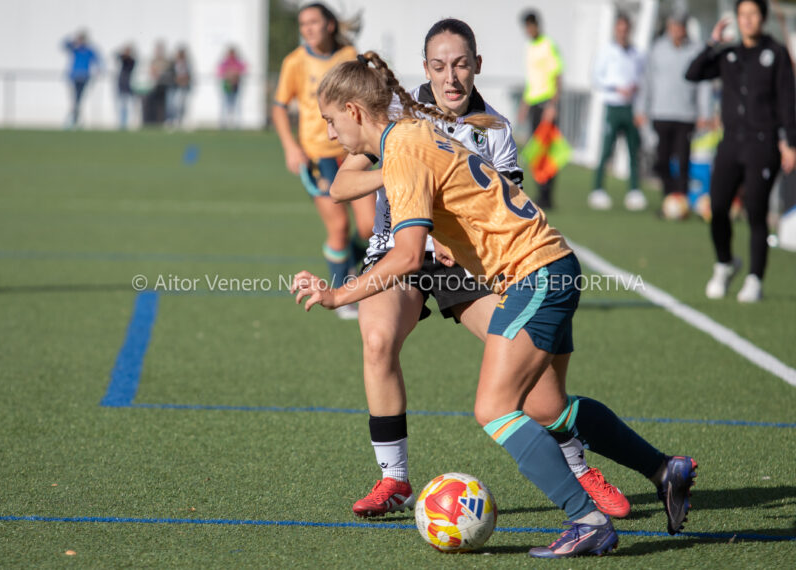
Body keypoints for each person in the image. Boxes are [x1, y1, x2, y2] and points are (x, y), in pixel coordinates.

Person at [292, 51, 698, 558]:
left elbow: (406, 256)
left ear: (354, 111)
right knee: (547, 406)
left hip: (535, 275)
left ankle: (586, 520)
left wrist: (338, 294)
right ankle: (664, 470)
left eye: (331, 121)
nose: (330, 133)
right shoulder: (412, 136)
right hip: (549, 266)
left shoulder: (404, 149)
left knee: (494, 409)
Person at [329, 19, 629, 521]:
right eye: (439, 66)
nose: (450, 77)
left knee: (532, 378)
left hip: (465, 262)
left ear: (477, 66)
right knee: (377, 340)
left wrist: (446, 219)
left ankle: (578, 467)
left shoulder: (495, 127)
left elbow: (504, 206)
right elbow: (341, 186)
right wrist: (405, 173)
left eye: (461, 65)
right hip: (399, 251)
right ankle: (394, 478)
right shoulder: (396, 114)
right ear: (425, 68)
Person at [686, 0, 796, 303]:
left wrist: (791, 143)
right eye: (742, 14)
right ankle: (725, 263)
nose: (747, 20)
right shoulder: (729, 54)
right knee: (718, 207)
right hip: (731, 142)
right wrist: (712, 43)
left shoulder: (776, 53)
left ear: (763, 17)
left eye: (753, 14)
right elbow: (693, 73)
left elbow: (787, 101)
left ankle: (755, 279)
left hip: (763, 143)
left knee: (756, 211)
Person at [272, 2, 375, 320]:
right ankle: (343, 296)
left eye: (313, 22)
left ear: (329, 25)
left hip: (353, 151)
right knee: (339, 226)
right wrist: (291, 147)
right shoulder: (295, 62)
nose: (307, 29)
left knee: (370, 226)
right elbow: (279, 106)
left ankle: (347, 265)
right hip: (318, 156)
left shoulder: (349, 56)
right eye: (303, 24)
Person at [635, 11, 713, 204]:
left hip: (686, 114)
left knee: (683, 160)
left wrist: (705, 112)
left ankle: (682, 199)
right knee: (662, 160)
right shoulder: (657, 49)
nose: (677, 30)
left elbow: (704, 84)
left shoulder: (696, 49)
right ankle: (669, 197)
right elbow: (647, 81)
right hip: (661, 112)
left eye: (680, 26)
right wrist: (640, 108)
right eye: (674, 26)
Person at [589, 13, 646, 211]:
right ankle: (597, 189)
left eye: (626, 30)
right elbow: (596, 78)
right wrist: (616, 87)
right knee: (607, 150)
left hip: (631, 108)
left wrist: (636, 89)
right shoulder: (606, 51)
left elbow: (642, 78)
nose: (623, 33)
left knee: (633, 150)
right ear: (615, 30)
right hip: (613, 106)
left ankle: (634, 190)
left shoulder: (636, 53)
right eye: (620, 29)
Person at [518, 10, 564, 209]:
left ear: (537, 25)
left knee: (547, 150)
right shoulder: (529, 47)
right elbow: (532, 80)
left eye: (530, 26)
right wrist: (524, 105)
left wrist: (553, 105)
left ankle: (547, 194)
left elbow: (557, 75)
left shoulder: (548, 45)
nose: (528, 30)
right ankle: (541, 191)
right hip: (534, 103)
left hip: (547, 103)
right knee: (536, 150)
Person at [62, 31, 101, 128]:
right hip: (74, 77)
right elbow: (64, 44)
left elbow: (98, 60)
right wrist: (74, 41)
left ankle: (75, 119)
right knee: (75, 99)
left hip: (84, 77)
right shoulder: (75, 49)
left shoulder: (88, 50)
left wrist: (99, 70)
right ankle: (74, 119)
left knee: (78, 99)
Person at [218, 47, 247, 129]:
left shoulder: (237, 62)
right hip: (227, 85)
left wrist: (235, 74)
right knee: (225, 104)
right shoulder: (225, 62)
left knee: (236, 104)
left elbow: (243, 69)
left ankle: (237, 123)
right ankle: (223, 123)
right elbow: (220, 72)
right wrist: (229, 75)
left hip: (236, 85)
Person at [167, 47, 192, 128]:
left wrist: (185, 80)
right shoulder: (173, 63)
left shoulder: (187, 64)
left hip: (184, 87)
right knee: (172, 105)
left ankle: (180, 121)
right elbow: (171, 74)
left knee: (182, 105)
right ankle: (171, 120)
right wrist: (176, 80)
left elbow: (189, 75)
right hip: (175, 87)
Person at [115, 45, 136, 130]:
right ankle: (122, 123)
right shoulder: (122, 59)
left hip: (128, 86)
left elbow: (129, 64)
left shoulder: (131, 61)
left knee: (128, 105)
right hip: (121, 85)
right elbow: (116, 55)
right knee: (121, 105)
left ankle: (128, 123)